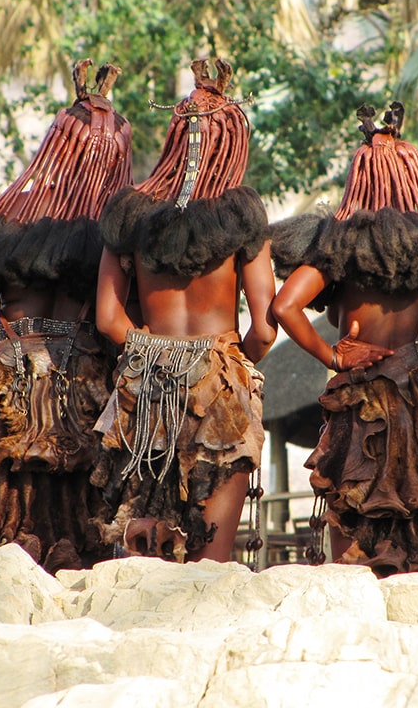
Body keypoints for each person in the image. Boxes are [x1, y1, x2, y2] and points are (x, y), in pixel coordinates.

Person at [270, 102, 418, 580]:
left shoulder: (338, 253)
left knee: (352, 563)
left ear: (359, 180)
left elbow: (283, 308)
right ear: (416, 179)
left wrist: (332, 355)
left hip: (359, 417)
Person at [0, 60, 132, 573]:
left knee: (7, 537)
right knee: (84, 534)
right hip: (89, 396)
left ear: (53, 151)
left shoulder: (1, 230)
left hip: (8, 391)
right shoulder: (117, 239)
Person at [91, 58, 276, 564]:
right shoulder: (243, 217)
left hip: (145, 381)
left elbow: (109, 321)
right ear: (233, 141)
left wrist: (151, 351)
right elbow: (263, 326)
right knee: (208, 563)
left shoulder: (128, 213)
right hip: (221, 382)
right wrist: (232, 366)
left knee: (140, 554)